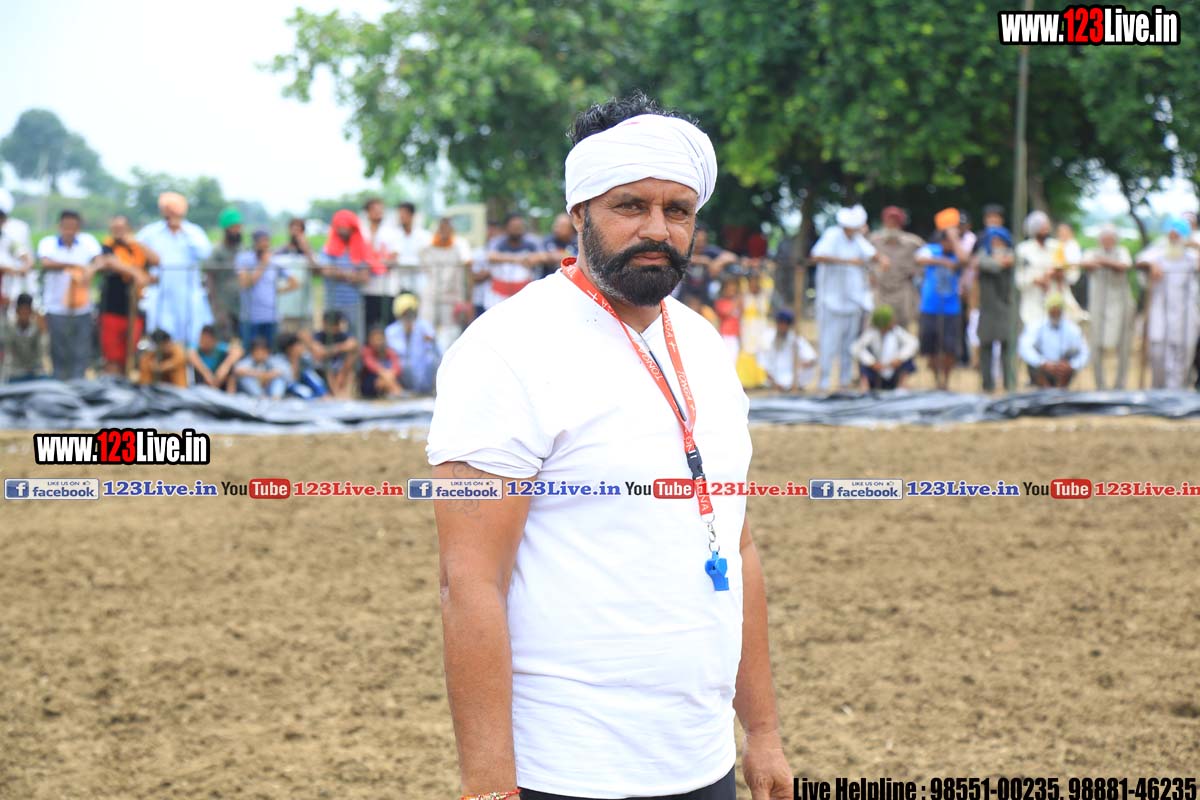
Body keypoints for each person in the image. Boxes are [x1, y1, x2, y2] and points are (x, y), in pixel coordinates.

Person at [427, 93, 791, 800]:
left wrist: (764, 732)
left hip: (701, 758)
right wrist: (489, 786)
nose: (657, 228)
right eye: (630, 205)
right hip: (567, 768)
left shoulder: (706, 347)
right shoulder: (506, 350)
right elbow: (469, 582)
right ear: (579, 213)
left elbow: (737, 545)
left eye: (677, 210)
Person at [811, 204, 884, 390]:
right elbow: (817, 256)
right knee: (828, 343)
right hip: (830, 302)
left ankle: (844, 381)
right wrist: (847, 262)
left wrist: (881, 260)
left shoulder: (858, 239)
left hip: (853, 301)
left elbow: (874, 255)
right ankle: (824, 382)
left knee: (849, 346)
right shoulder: (832, 235)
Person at [137, 192, 213, 349]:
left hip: (188, 294)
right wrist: (145, 275)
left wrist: (182, 230)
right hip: (161, 294)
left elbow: (205, 253)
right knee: (161, 338)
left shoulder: (193, 232)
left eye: (174, 210)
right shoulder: (150, 233)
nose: (170, 214)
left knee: (190, 338)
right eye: (167, 210)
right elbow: (135, 252)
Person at [1135, 217, 1200, 389]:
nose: (1174, 238)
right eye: (1171, 234)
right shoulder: (1158, 252)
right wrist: (1151, 265)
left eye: (1178, 235)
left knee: (1183, 355)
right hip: (1160, 311)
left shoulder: (1192, 256)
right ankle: (1159, 391)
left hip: (1185, 314)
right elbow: (1140, 260)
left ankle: (1176, 392)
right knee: (1157, 353)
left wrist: (1196, 246)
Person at [37, 210, 102, 380]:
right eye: (66, 227)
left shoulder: (88, 242)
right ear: (60, 226)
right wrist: (75, 267)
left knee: (81, 350)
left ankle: (78, 383)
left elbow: (99, 261)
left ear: (78, 228)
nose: (69, 231)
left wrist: (91, 269)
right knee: (59, 349)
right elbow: (46, 263)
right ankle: (59, 382)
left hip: (82, 308)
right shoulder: (48, 243)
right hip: (56, 306)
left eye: (73, 227)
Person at [97, 216, 158, 375]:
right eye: (115, 229)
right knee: (112, 357)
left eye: (122, 228)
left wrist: (136, 242)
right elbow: (111, 262)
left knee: (129, 355)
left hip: (134, 310)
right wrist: (137, 274)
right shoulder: (107, 246)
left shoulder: (137, 248)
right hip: (112, 310)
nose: (118, 232)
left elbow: (156, 260)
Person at [1080, 223, 1134, 390]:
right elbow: (1085, 264)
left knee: (1124, 345)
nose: (1108, 241)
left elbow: (1124, 266)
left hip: (1121, 303)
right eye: (1105, 238)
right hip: (1098, 305)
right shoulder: (1091, 252)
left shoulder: (1122, 251)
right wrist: (1107, 263)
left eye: (1111, 238)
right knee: (1095, 344)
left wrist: (1103, 262)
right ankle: (1100, 385)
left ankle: (1120, 385)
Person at [915, 228, 962, 390]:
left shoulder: (959, 252)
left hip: (951, 308)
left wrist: (955, 240)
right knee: (930, 347)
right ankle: (936, 380)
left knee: (950, 348)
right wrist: (943, 262)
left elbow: (964, 260)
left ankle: (946, 381)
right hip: (930, 307)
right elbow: (919, 259)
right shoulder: (931, 250)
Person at [321, 209, 379, 342]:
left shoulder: (362, 249)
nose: (343, 231)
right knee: (331, 338)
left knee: (356, 338)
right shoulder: (328, 249)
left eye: (346, 227)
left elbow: (364, 277)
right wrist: (351, 275)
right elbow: (326, 271)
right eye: (340, 228)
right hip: (332, 301)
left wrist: (339, 273)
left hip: (354, 302)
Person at [236, 230, 299, 348]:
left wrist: (277, 291)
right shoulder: (244, 259)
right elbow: (245, 283)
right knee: (249, 351)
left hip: (271, 317)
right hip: (250, 318)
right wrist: (263, 265)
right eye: (262, 241)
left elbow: (294, 283)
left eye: (267, 241)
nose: (265, 244)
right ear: (255, 242)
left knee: (271, 351)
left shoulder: (275, 261)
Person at [419, 216, 474, 349]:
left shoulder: (460, 246)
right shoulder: (427, 248)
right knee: (426, 330)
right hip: (432, 295)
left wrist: (468, 299)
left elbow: (468, 268)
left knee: (450, 334)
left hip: (452, 297)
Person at [868, 206, 924, 329]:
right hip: (880, 291)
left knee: (903, 327)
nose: (892, 224)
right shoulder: (873, 241)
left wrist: (915, 274)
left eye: (895, 221)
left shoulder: (913, 243)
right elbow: (866, 264)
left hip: (903, 292)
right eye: (889, 220)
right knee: (877, 326)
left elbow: (923, 265)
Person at [975, 228, 1016, 392]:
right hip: (987, 309)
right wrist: (1001, 262)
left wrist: (1006, 261)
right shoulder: (983, 256)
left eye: (1000, 241)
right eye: (993, 241)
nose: (997, 244)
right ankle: (987, 385)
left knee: (1007, 346)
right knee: (986, 346)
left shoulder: (1013, 257)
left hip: (1006, 308)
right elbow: (987, 264)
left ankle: (1009, 383)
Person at [1019, 293, 1089, 388]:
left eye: (1057, 312)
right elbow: (1024, 348)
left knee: (1069, 358)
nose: (1055, 314)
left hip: (1063, 370)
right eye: (1053, 312)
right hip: (1042, 368)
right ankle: (1044, 388)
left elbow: (1084, 352)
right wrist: (1042, 362)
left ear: (1062, 311)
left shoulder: (1072, 329)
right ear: (1048, 311)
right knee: (1033, 361)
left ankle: (1061, 389)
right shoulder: (1036, 326)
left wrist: (1071, 365)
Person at [851, 304, 918, 390]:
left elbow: (913, 343)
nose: (893, 322)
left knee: (908, 360)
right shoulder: (872, 333)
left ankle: (901, 385)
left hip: (893, 370)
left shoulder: (897, 331)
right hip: (877, 372)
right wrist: (872, 362)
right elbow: (855, 348)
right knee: (864, 364)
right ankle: (865, 388)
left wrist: (899, 358)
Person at [482, 213, 542, 310]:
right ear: (506, 227)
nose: (517, 229)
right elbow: (491, 256)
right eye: (513, 226)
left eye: (519, 226)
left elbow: (540, 257)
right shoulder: (497, 242)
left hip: (524, 293)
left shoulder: (531, 242)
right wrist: (518, 258)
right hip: (499, 294)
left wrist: (528, 259)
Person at [384, 292, 441, 394]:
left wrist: (431, 340)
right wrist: (407, 335)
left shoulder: (424, 326)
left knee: (431, 359)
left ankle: (431, 390)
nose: (408, 316)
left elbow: (437, 351)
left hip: (422, 375)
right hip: (401, 376)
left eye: (410, 312)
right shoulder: (391, 331)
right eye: (405, 313)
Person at [1014, 210, 1060, 333]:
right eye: (1042, 227)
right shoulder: (1023, 250)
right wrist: (1036, 280)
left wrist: (1055, 274)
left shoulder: (1056, 247)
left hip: (1053, 301)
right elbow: (1019, 280)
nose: (1045, 230)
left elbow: (1067, 272)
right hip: (1032, 303)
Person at [204, 206, 246, 341]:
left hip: (240, 303)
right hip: (222, 304)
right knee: (224, 337)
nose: (238, 230)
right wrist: (215, 306)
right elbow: (209, 276)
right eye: (234, 227)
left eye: (239, 227)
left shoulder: (241, 249)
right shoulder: (217, 250)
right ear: (226, 229)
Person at [359, 197, 401, 330]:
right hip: (368, 288)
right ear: (367, 212)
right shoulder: (362, 232)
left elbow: (394, 257)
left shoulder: (391, 232)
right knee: (369, 326)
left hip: (387, 288)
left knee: (388, 325)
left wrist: (377, 263)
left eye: (380, 210)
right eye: (374, 210)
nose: (378, 213)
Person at [274, 217, 320, 334]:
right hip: (285, 310)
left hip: (305, 310)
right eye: (293, 229)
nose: (295, 233)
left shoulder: (309, 253)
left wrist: (307, 250)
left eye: (299, 230)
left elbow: (317, 274)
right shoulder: (279, 253)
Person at [757, 307, 817, 392]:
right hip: (771, 377)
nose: (782, 327)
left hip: (791, 377)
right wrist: (773, 381)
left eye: (785, 324)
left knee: (809, 368)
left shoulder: (795, 339)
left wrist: (804, 364)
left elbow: (812, 357)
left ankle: (792, 386)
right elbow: (761, 361)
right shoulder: (768, 337)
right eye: (781, 323)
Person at [392, 201, 435, 310]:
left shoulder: (424, 236)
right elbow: (393, 257)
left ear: (412, 215)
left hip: (420, 284)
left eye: (404, 214)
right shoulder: (395, 235)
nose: (401, 217)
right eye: (400, 214)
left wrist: (401, 261)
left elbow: (426, 260)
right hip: (401, 284)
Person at [0, 188, 34, 318]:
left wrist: (26, 266)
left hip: (6, 292)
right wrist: (7, 269)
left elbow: (23, 254)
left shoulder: (7, 238)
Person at [310, 309, 359, 399]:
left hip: (341, 369)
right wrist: (339, 348)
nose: (337, 327)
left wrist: (330, 350)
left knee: (351, 359)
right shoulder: (318, 335)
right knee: (328, 367)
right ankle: (336, 393)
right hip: (323, 367)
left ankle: (342, 393)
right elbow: (319, 352)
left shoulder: (343, 335)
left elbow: (353, 345)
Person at [0, 293, 47, 381]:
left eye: (27, 311)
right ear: (17, 311)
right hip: (15, 372)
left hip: (34, 372)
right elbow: (6, 347)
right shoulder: (10, 329)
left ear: (31, 312)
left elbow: (43, 352)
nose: (24, 315)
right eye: (22, 311)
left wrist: (43, 333)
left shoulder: (37, 329)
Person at [187, 324, 242, 392]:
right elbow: (190, 353)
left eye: (206, 338)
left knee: (231, 368)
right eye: (202, 337)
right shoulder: (196, 348)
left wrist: (224, 367)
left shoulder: (218, 348)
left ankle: (230, 395)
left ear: (213, 339)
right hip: (203, 383)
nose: (202, 341)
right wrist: (206, 374)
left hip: (218, 382)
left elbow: (238, 351)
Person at [277, 331, 328, 399]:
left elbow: (318, 359)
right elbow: (289, 380)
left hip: (302, 384)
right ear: (290, 349)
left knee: (309, 374)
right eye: (298, 345)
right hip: (289, 387)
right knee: (304, 391)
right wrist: (295, 361)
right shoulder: (280, 361)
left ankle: (324, 395)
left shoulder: (304, 358)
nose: (301, 347)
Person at [469, 219, 502, 321]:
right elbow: (473, 277)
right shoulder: (478, 253)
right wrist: (489, 273)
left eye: (495, 231)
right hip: (480, 299)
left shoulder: (506, 253)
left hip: (500, 300)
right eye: (490, 230)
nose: (492, 233)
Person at [359, 324, 403, 398]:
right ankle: (397, 392)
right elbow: (371, 365)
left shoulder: (390, 352)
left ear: (384, 339)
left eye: (379, 339)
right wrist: (386, 375)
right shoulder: (366, 351)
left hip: (389, 379)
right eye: (374, 339)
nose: (377, 342)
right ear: (369, 340)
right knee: (381, 381)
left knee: (386, 381)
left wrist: (390, 375)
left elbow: (397, 367)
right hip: (371, 385)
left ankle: (395, 392)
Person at [539, 212, 579, 279]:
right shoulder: (547, 240)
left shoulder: (576, 243)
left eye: (562, 226)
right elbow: (536, 257)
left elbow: (578, 259)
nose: (557, 228)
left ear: (571, 229)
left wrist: (552, 256)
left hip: (570, 280)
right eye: (556, 225)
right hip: (548, 278)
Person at [712, 273, 742, 361]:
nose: (732, 290)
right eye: (729, 288)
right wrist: (735, 303)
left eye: (734, 288)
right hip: (725, 336)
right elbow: (725, 313)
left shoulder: (737, 302)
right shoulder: (720, 301)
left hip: (735, 336)